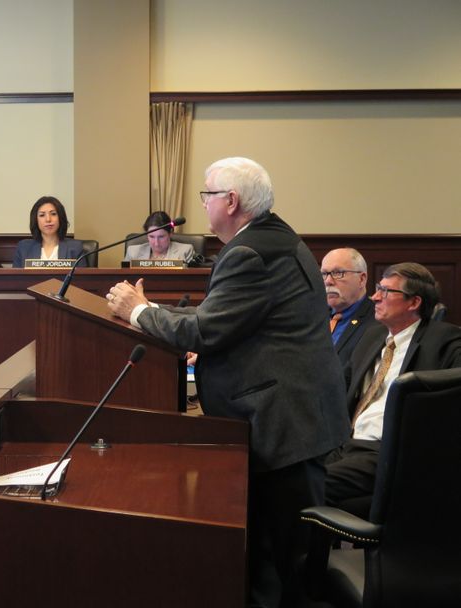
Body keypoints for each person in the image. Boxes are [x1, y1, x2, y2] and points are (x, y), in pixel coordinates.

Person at [106, 157, 349, 608]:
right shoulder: (272, 237)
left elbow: (205, 332)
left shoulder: (247, 254)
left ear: (231, 201)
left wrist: (138, 312)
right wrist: (151, 310)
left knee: (279, 567)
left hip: (282, 426)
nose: (202, 203)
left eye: (207, 195)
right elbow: (218, 318)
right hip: (297, 417)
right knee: (282, 558)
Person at [326, 262, 461, 516]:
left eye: (386, 292)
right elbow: (339, 389)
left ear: (413, 303)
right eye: (378, 288)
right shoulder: (372, 337)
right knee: (289, 476)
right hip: (347, 443)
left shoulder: (445, 340)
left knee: (311, 484)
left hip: (389, 451)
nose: (375, 297)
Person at [321, 247, 378, 365]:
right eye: (324, 274)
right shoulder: (314, 316)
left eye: (338, 273)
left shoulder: (377, 320)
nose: (328, 281)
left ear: (361, 279)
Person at [12, 196, 86, 268]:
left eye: (53, 214)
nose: (48, 219)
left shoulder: (75, 247)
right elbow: (15, 279)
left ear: (60, 217)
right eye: (42, 215)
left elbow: (82, 279)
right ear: (35, 220)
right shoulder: (23, 248)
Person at [123, 210, 195, 264]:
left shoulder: (185, 251)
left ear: (170, 233)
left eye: (161, 237)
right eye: (151, 237)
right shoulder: (133, 252)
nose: (156, 243)